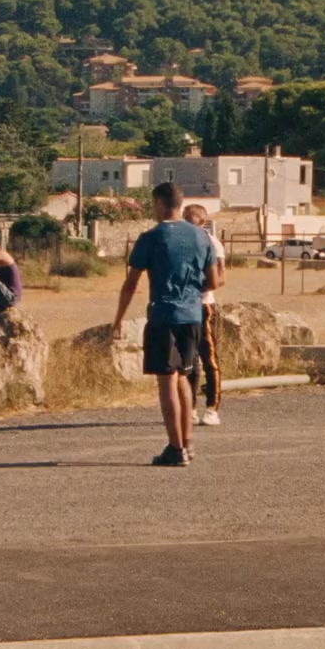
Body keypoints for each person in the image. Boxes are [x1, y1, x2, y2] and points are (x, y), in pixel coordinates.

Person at [111, 183, 220, 467]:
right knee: (183, 375)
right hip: (193, 314)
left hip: (163, 314)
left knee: (166, 378)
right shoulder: (201, 236)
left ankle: (175, 447)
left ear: (160, 203)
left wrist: (119, 319)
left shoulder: (151, 237)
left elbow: (131, 283)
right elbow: (213, 280)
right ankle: (188, 441)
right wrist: (191, 292)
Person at [183, 204, 226, 427]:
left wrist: (197, 289)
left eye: (192, 221)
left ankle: (212, 408)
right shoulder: (182, 242)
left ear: (202, 222)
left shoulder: (212, 243)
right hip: (184, 306)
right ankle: (190, 407)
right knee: (188, 360)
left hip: (203, 304)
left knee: (209, 357)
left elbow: (220, 278)